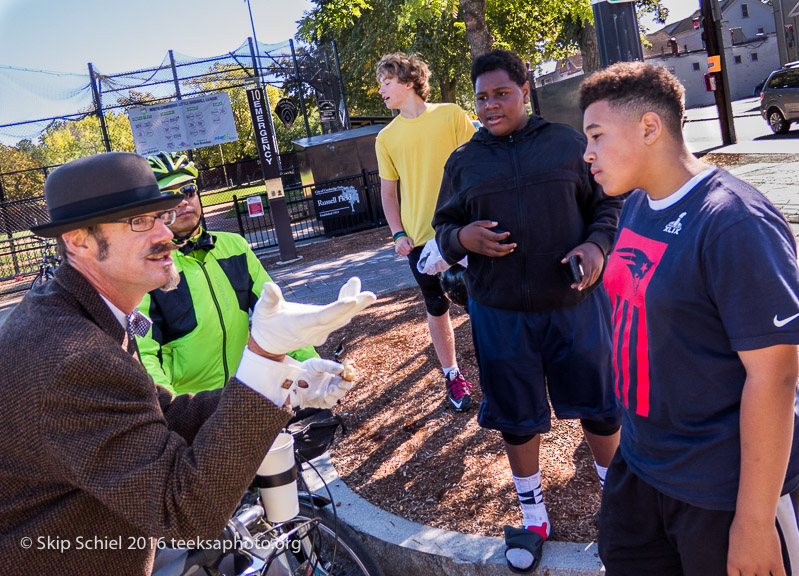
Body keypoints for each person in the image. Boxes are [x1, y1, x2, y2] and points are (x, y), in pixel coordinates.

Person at [0, 152, 375, 575]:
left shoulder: (82, 314)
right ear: (79, 240)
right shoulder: (72, 354)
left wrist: (291, 381)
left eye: (160, 216)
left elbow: (163, 413)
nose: (166, 234)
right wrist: (265, 358)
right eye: (140, 221)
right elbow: (184, 514)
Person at [579, 61, 799, 575]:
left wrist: (752, 520)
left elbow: (777, 375)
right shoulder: (636, 204)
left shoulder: (733, 221)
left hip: (720, 489)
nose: (586, 153)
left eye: (596, 135)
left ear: (649, 127)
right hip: (642, 466)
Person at [433, 49, 623, 573]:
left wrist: (597, 246)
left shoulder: (567, 145)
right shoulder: (464, 161)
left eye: (501, 94)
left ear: (525, 89)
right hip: (499, 312)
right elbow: (444, 228)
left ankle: (619, 507)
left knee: (600, 406)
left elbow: (607, 203)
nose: (491, 106)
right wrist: (462, 237)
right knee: (517, 418)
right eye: (482, 98)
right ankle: (533, 515)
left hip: (574, 303)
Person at [136, 151, 317, 395]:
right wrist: (171, 410)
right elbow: (145, 353)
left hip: (244, 393)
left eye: (188, 190)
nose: (182, 201)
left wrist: (312, 368)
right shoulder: (149, 267)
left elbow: (277, 316)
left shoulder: (235, 247)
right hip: (188, 406)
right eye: (169, 196)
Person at [375, 52, 477, 412]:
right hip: (420, 240)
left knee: (484, 303)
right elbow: (388, 193)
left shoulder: (450, 114)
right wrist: (397, 234)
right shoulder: (386, 138)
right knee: (437, 308)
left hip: (465, 230)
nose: (381, 91)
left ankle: (501, 370)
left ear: (408, 81)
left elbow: (478, 159)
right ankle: (453, 375)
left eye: (386, 83)